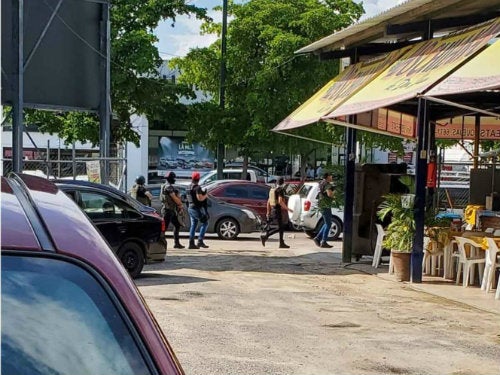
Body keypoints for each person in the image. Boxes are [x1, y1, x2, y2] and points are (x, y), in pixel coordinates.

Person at [260, 177, 293, 249]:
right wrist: (288, 209)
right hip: (277, 210)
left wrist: (268, 212)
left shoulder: (273, 189)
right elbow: (280, 201)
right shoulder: (280, 190)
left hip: (273, 210)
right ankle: (265, 236)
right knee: (280, 227)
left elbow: (268, 202)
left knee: (281, 227)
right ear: (283, 183)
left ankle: (281, 243)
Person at [160, 171, 185, 249]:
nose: (175, 180)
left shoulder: (166, 186)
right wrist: (180, 204)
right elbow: (174, 198)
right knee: (164, 229)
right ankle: (161, 244)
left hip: (171, 210)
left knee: (177, 225)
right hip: (167, 211)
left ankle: (176, 243)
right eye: (173, 178)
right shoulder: (168, 187)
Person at [187, 171, 209, 249]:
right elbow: (200, 198)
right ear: (198, 179)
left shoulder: (188, 187)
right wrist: (205, 195)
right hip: (196, 208)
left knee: (194, 224)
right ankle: (200, 241)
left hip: (190, 207)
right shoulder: (197, 188)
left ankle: (191, 243)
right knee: (205, 223)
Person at [313, 172, 335, 248]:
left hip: (322, 204)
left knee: (327, 223)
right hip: (325, 205)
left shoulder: (321, 183)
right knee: (328, 224)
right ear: (328, 176)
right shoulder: (327, 184)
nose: (332, 177)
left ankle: (318, 238)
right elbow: (329, 194)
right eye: (331, 175)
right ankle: (323, 241)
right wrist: (335, 196)